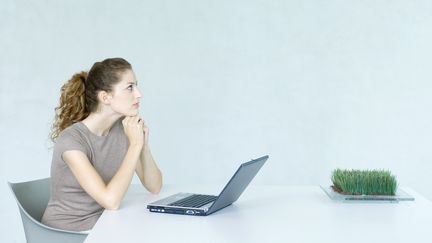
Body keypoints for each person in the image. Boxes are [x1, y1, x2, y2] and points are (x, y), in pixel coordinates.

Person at [41, 57, 162, 232]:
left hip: (103, 227)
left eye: (136, 86)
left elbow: (154, 186)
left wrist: (142, 145)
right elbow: (111, 201)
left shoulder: (123, 130)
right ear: (105, 97)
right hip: (68, 234)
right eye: (130, 87)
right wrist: (134, 145)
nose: (139, 94)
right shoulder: (71, 141)